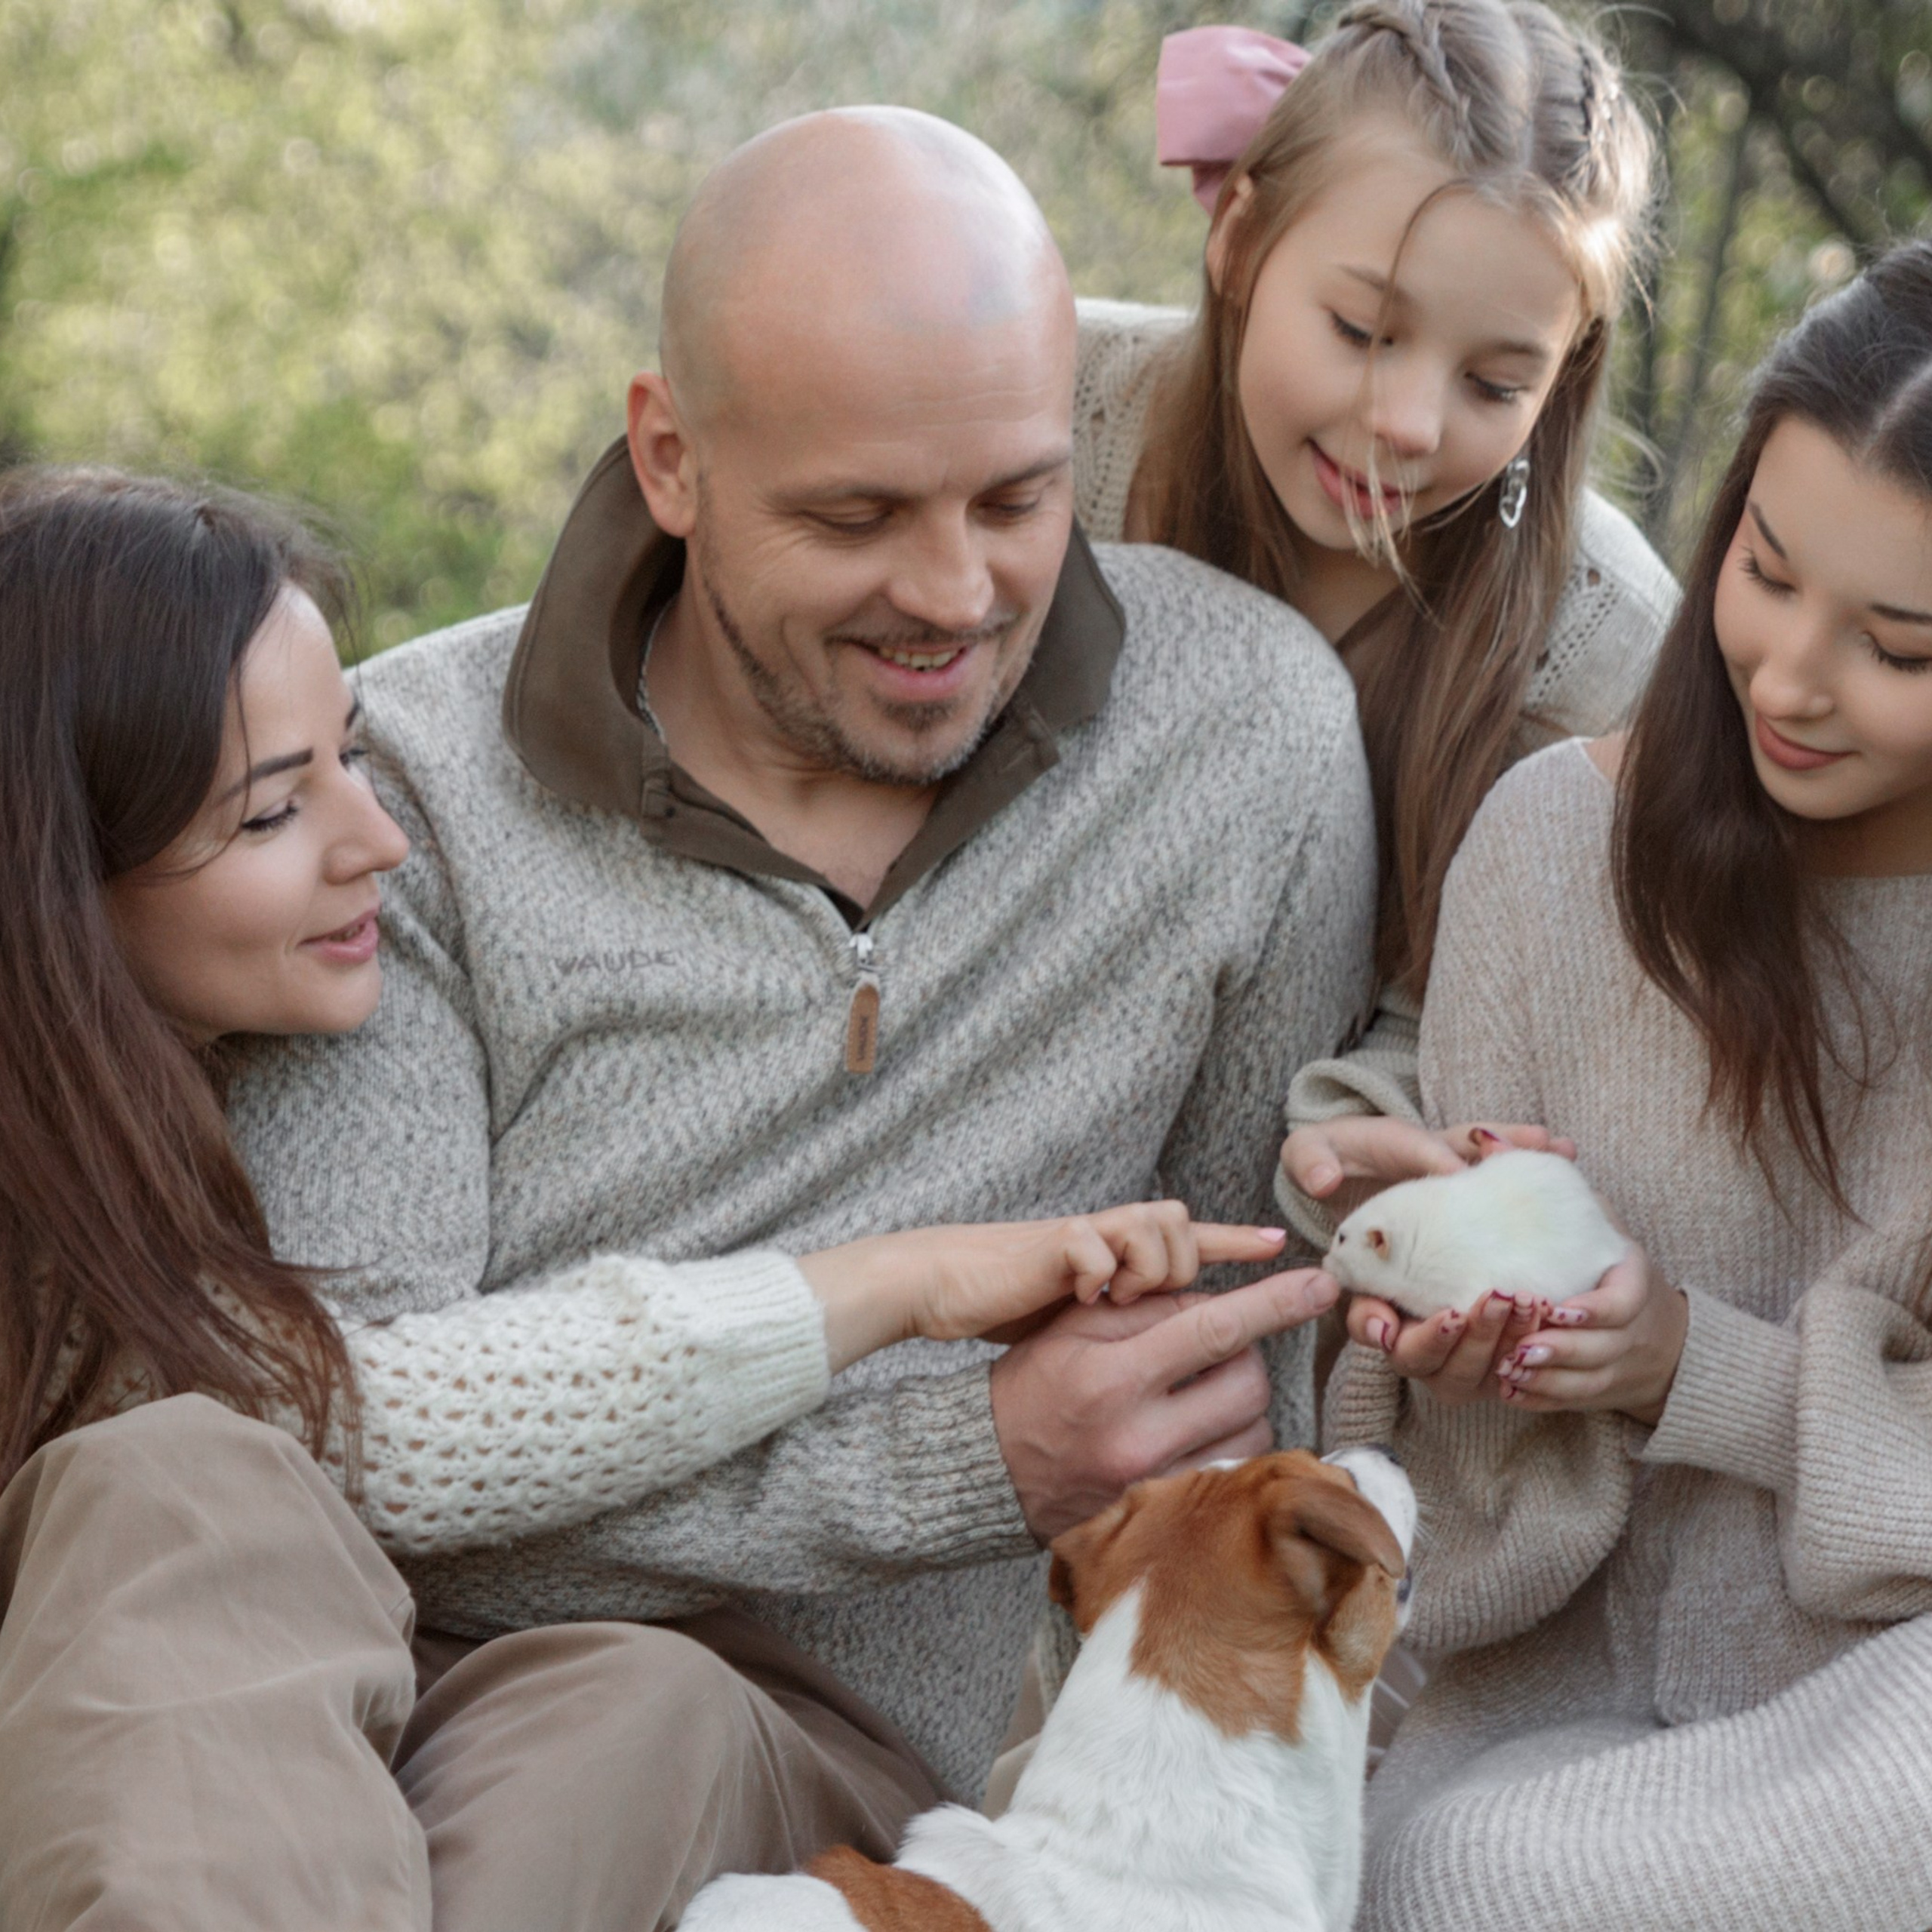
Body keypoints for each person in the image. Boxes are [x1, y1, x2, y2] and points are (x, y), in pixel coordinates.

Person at [222, 105, 1377, 1924]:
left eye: (1014, 499)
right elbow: (347, 1453)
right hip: (339, 1683)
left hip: (820, 1761)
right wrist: (959, 1456)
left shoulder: (1242, 739)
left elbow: (1263, 1367)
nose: (953, 595)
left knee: (628, 1713)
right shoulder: (396, 799)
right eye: (855, 516)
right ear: (670, 456)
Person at [0, 465, 1327, 1930]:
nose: (379, 838)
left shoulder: (188, 1095)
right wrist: (896, 1304)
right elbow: (349, 1422)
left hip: (587, 1728)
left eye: (352, 758)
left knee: (628, 1703)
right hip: (210, 1732)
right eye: (270, 811)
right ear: (58, 875)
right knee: (177, 1474)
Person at [1324, 239, 1932, 1927]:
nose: (1787, 678)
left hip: (1897, 1705)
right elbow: (1456, 1553)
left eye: (1899, 648)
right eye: (1764, 571)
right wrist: (1462, 1341)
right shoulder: (1548, 853)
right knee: (1467, 1879)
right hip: (1561, 1722)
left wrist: (1692, 1366)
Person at [1069, 0, 1678, 1244]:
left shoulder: (1604, 646)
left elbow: (1498, 1008)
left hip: (1311, 1245)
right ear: (1240, 237)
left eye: (1494, 384)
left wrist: (1374, 1128)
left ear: (1563, 375)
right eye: (1361, 330)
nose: (1408, 421)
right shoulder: (1053, 415)